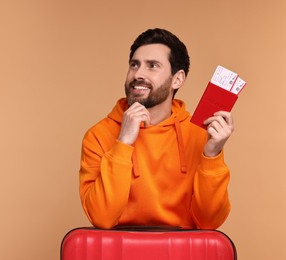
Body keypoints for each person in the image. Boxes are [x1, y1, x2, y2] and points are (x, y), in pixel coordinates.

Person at [79, 28, 234, 230]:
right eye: (134, 65)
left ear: (177, 79)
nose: (138, 74)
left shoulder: (199, 134)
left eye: (152, 66)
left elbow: (209, 221)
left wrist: (212, 155)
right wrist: (123, 143)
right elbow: (101, 218)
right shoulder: (98, 135)